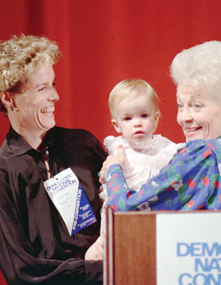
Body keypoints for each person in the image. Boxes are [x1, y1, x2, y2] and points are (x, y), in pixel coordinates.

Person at [100, 40, 221, 212]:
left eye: (197, 106)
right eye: (180, 105)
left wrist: (113, 170)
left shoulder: (202, 154)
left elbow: (127, 210)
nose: (183, 117)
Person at [0, 34, 105, 284]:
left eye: (53, 84)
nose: (55, 96)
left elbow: (120, 211)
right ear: (8, 98)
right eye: (42, 88)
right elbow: (21, 270)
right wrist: (96, 269)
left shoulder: (83, 145)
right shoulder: (4, 171)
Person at [100, 79, 184, 230]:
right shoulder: (117, 147)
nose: (137, 123)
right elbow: (105, 177)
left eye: (144, 116)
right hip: (120, 219)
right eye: (128, 119)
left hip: (155, 216)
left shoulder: (167, 149)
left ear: (156, 118)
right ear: (116, 125)